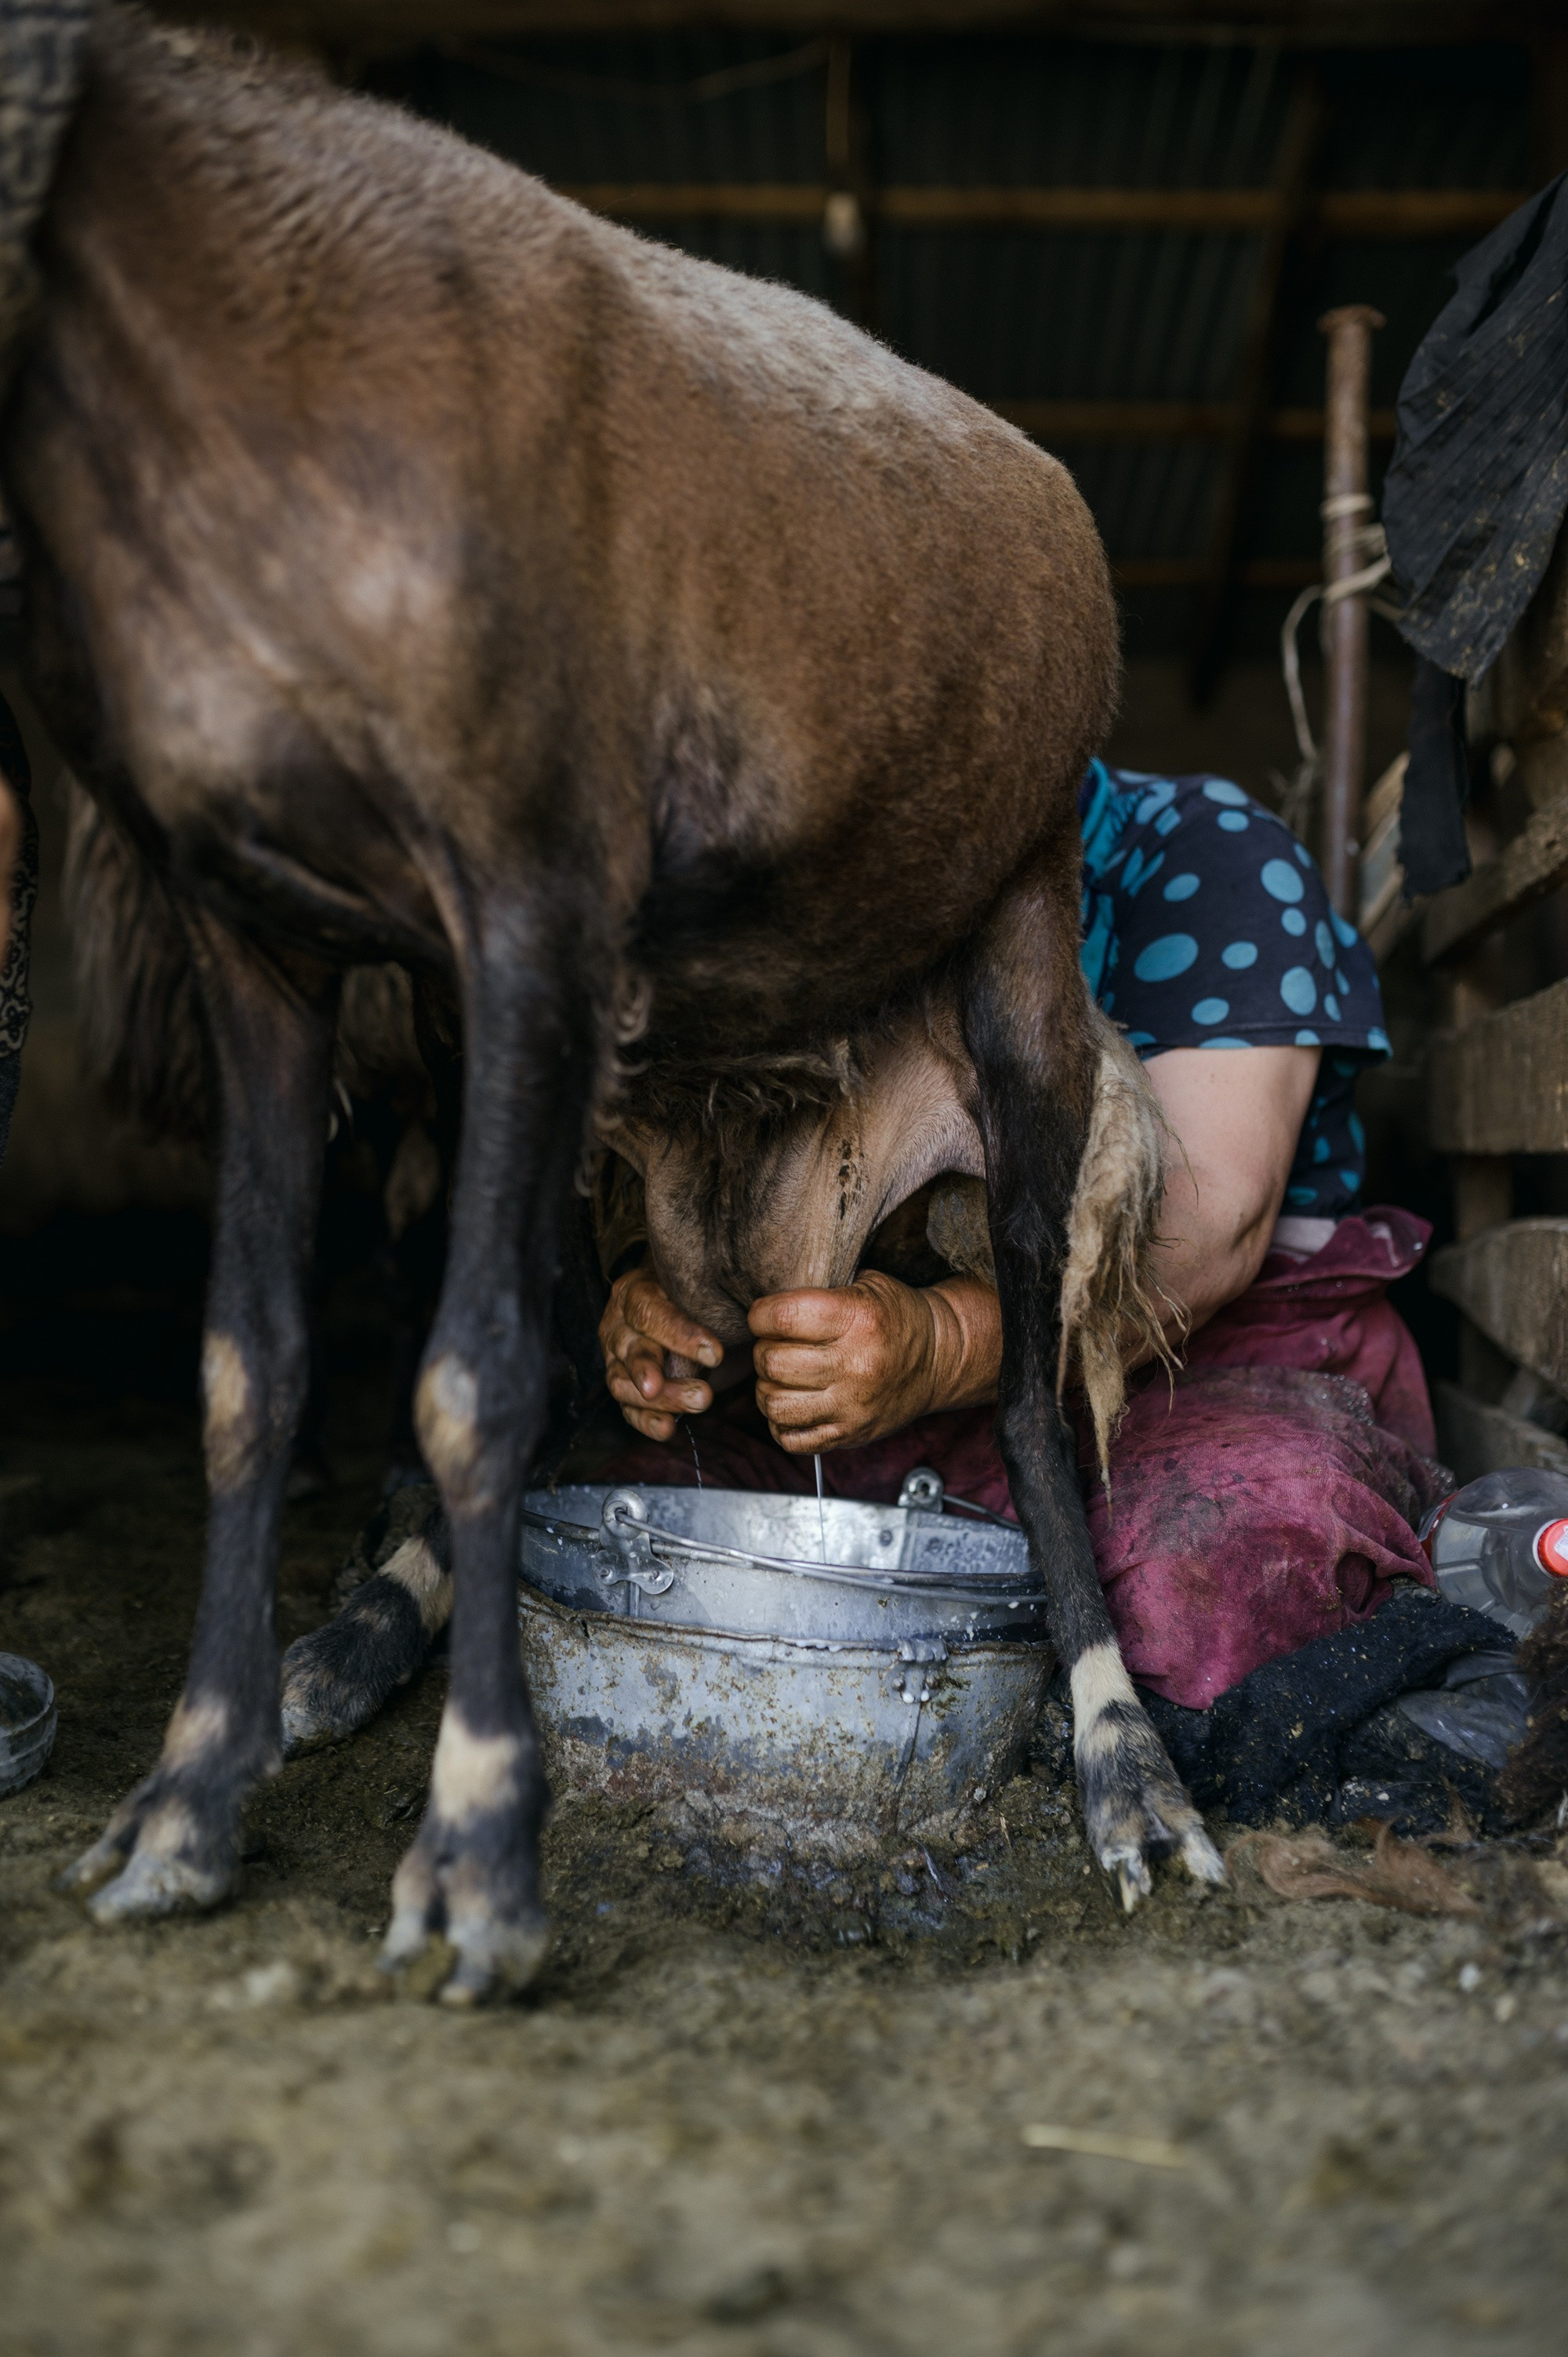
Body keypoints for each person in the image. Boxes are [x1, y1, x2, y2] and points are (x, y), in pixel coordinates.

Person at [594, 762, 1447, 1712]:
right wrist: (667, 1290)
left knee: (1219, 1579)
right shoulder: (815, 892)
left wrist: (943, 1344)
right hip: (893, 1391)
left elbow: (1211, 1232)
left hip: (1200, 1365)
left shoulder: (1205, 855)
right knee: (621, 1513)